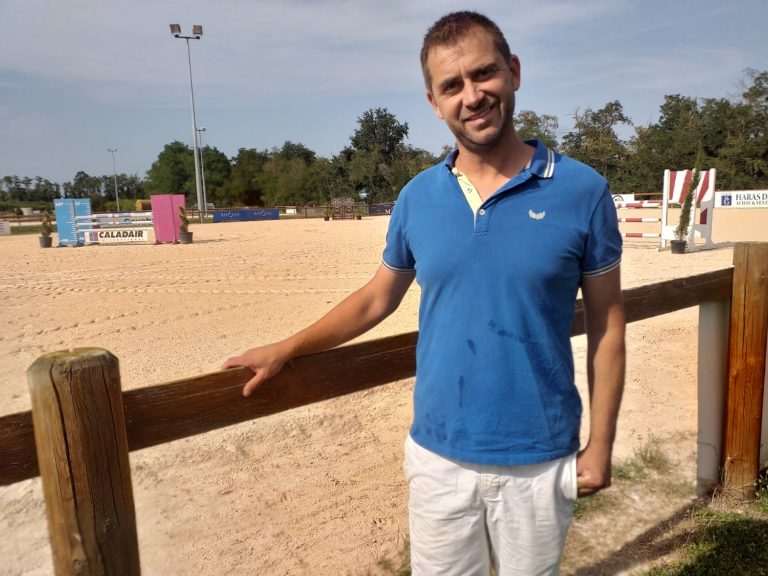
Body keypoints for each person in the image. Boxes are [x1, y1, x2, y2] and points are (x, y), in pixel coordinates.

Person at [222, 10, 625, 575]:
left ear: (513, 71)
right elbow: (376, 299)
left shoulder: (582, 190)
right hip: (438, 459)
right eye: (452, 85)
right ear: (435, 102)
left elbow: (608, 323)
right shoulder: (418, 197)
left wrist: (601, 444)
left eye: (483, 74)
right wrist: (287, 348)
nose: (472, 96)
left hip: (539, 459)